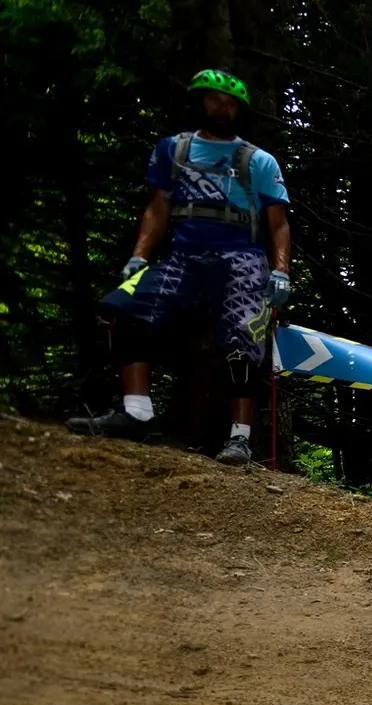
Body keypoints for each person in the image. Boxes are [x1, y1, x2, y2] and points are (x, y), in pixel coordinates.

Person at [68, 68, 292, 467]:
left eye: (230, 104)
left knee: (244, 336)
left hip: (242, 258)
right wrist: (139, 256)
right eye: (214, 100)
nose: (222, 109)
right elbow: (158, 207)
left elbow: (278, 222)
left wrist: (280, 271)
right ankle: (137, 413)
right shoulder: (173, 150)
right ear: (199, 102)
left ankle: (240, 438)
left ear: (240, 111)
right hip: (184, 256)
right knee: (125, 307)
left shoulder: (259, 160)